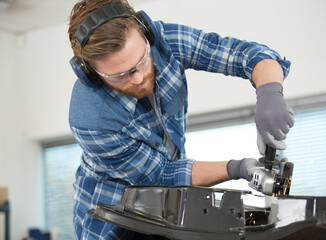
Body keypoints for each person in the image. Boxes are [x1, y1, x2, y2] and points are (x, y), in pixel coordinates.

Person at [67, 0, 294, 239]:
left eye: (142, 60)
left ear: (147, 36)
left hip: (168, 209)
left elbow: (242, 54)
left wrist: (269, 92)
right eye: (120, 75)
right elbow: (160, 176)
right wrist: (236, 168)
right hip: (111, 220)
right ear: (91, 73)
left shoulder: (165, 42)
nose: (138, 77)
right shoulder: (90, 118)